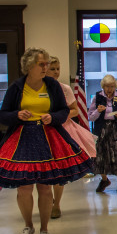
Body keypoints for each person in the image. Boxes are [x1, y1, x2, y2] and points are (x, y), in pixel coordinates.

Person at [0, 48, 94, 234]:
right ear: (29, 66)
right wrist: (17, 115)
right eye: (41, 64)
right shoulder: (17, 87)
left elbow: (64, 111)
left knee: (45, 186)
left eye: (47, 64)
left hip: (48, 137)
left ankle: (44, 228)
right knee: (24, 188)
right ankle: (28, 225)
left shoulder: (52, 86)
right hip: (22, 138)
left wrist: (53, 117)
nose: (46, 68)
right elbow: (3, 115)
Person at [46, 56, 97, 218]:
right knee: (45, 168)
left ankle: (56, 204)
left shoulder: (65, 89)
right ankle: (47, 201)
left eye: (57, 69)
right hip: (43, 130)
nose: (56, 72)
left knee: (58, 168)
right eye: (52, 69)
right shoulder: (38, 89)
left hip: (62, 129)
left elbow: (75, 110)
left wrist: (60, 116)